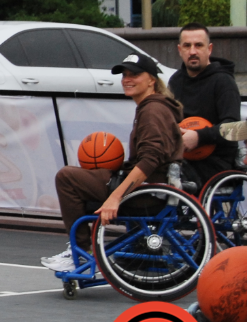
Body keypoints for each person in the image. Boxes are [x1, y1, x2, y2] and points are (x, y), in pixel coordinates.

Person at [42, 54, 182, 271]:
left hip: (148, 192)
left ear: (151, 80)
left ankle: (79, 251)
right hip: (153, 188)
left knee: (67, 177)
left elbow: (150, 160)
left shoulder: (153, 110)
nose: (127, 79)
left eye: (134, 74)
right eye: (124, 75)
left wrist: (115, 198)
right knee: (92, 172)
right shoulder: (154, 107)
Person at [168, 23, 241, 186]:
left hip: (216, 164)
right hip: (183, 160)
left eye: (198, 45)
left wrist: (199, 137)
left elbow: (236, 128)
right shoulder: (175, 81)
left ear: (209, 49)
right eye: (187, 46)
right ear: (180, 50)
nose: (192, 51)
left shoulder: (223, 81)